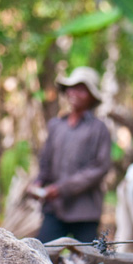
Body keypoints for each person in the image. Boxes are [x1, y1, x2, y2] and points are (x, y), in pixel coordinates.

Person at [30, 66, 112, 243]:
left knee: (87, 262)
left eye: (82, 90)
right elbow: (45, 162)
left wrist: (61, 188)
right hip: (55, 208)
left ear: (91, 97)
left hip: (85, 211)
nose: (75, 93)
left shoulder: (98, 129)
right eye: (72, 88)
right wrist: (39, 183)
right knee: (43, 253)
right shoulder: (56, 125)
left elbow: (99, 168)